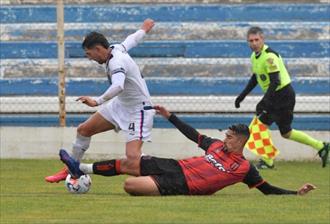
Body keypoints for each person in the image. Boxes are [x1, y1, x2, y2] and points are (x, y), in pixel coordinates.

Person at [59, 105, 316, 196]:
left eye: (229, 137)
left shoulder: (244, 169)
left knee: (130, 185)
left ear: (241, 140)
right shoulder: (215, 145)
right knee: (130, 162)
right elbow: (192, 134)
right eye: (225, 135)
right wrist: (170, 116)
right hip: (176, 165)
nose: (224, 139)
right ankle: (79, 168)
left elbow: (267, 190)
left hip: (182, 185)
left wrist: (296, 193)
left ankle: (80, 170)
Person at [45, 19, 156, 183]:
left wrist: (97, 101)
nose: (89, 58)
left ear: (98, 49)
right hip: (120, 106)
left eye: (89, 54)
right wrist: (143, 30)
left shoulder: (116, 62)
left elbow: (118, 86)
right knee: (84, 130)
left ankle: (161, 174)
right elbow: (132, 40)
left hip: (138, 111)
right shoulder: (116, 49)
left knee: (133, 158)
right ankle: (71, 171)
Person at [234, 26, 329, 169]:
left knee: (260, 127)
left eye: (256, 40)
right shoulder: (254, 57)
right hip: (276, 96)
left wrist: (264, 101)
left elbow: (275, 81)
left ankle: (267, 161)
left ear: (262, 39)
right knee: (286, 132)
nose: (253, 43)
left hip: (283, 95)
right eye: (250, 40)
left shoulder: (270, 56)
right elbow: (256, 77)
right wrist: (242, 96)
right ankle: (321, 146)